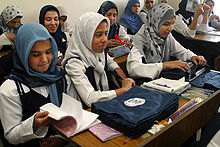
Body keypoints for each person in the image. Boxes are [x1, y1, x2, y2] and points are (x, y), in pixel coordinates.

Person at [0, 22, 70, 146]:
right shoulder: (11, 89)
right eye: (36, 54)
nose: (44, 59)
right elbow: (11, 136)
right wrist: (34, 124)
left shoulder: (59, 77)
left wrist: (61, 138)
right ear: (23, 54)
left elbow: (70, 116)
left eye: (48, 52)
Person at [62, 12, 135, 108]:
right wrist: (123, 89)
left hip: (103, 107)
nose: (104, 39)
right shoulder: (74, 63)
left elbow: (110, 62)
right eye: (98, 35)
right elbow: (90, 98)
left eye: (106, 34)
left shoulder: (98, 52)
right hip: (86, 113)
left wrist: (124, 78)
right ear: (85, 36)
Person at [126, 3, 206, 82]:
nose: (170, 28)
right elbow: (133, 69)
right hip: (145, 83)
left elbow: (180, 51)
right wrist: (164, 65)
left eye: (172, 23)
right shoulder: (140, 39)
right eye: (166, 24)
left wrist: (193, 56)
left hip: (161, 81)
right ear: (155, 22)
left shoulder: (164, 36)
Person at [0, 4, 23, 85]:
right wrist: (5, 37)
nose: (15, 25)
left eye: (18, 22)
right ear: (6, 18)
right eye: (13, 22)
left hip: (14, 66)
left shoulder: (20, 29)